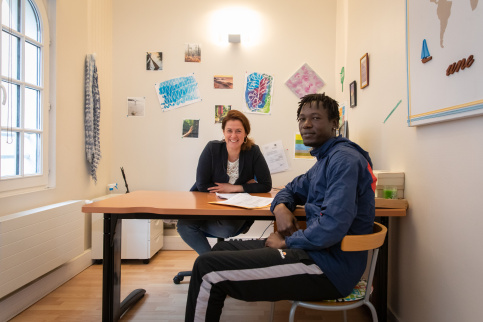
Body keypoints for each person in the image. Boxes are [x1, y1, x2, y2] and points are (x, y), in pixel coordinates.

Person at [184, 93, 377, 322]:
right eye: (302, 118)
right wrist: (281, 208)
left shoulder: (343, 160)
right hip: (315, 253)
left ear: (335, 123)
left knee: (208, 269)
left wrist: (287, 242)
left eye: (315, 118)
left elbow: (332, 226)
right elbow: (289, 189)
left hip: (327, 268)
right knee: (218, 253)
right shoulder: (325, 160)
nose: (306, 124)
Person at [177, 110, 272, 255]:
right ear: (223, 132)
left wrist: (233, 188)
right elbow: (202, 184)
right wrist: (247, 186)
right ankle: (211, 262)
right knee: (184, 226)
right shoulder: (212, 148)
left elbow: (265, 185)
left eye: (238, 131)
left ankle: (212, 263)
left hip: (235, 211)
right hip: (207, 207)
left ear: (246, 133)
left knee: (226, 229)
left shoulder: (253, 151)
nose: (233, 136)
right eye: (229, 131)